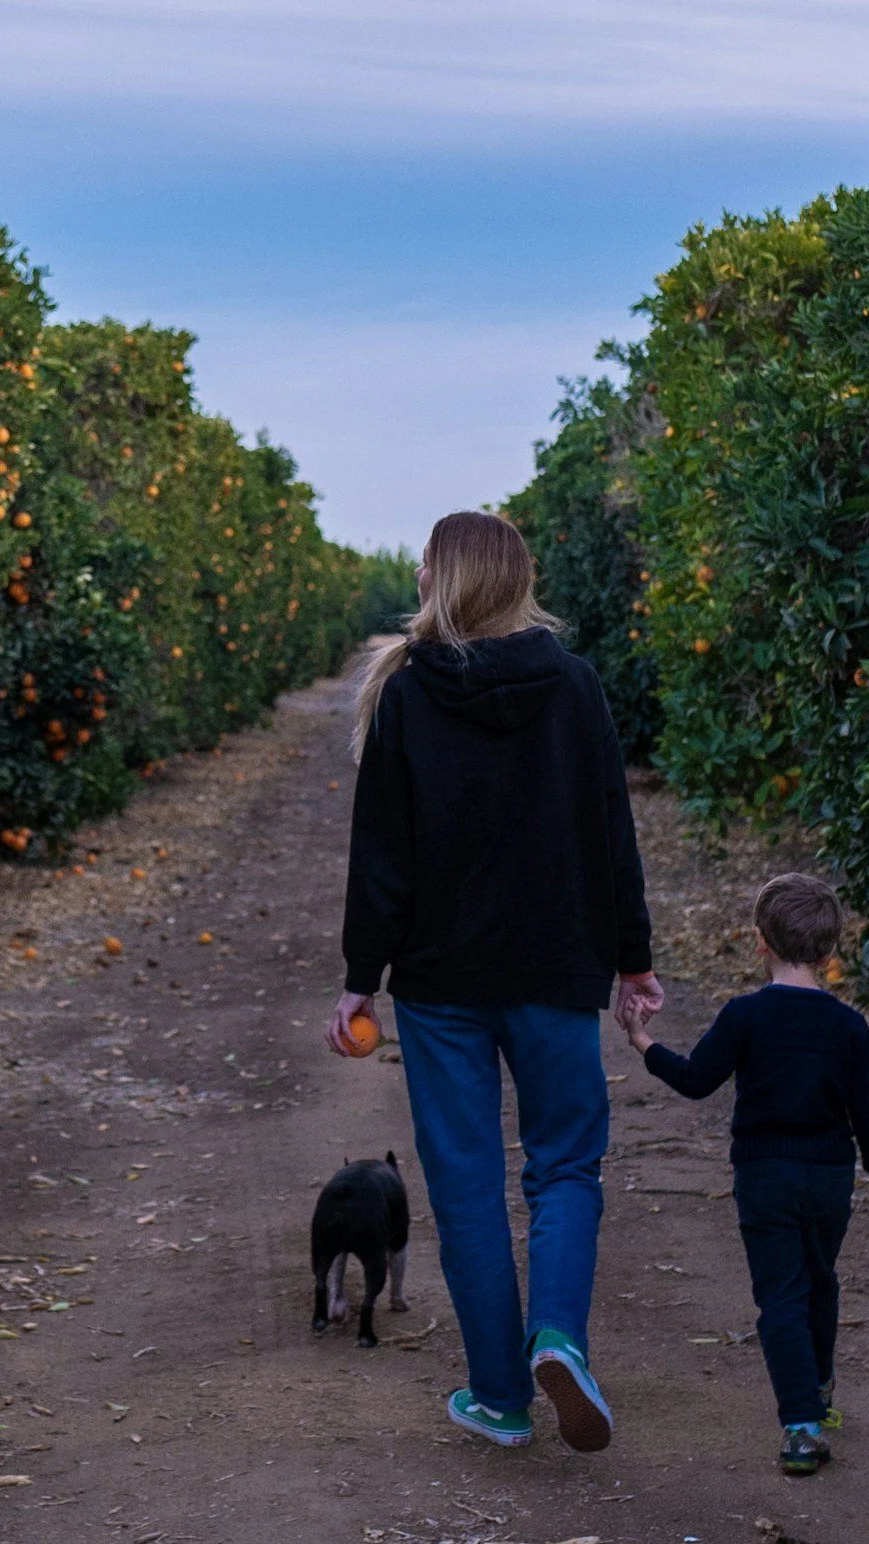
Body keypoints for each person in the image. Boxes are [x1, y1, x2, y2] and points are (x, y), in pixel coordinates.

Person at [329, 510, 659, 1454]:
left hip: (439, 979)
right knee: (565, 1164)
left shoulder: (404, 691)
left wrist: (360, 979)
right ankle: (558, 1333)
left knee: (466, 1183)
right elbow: (612, 838)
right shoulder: (576, 684)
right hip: (557, 968)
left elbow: (380, 857)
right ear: (520, 579)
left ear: (438, 577)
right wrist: (632, 961)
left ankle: (501, 1396)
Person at [621, 873, 869, 1476]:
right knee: (819, 1279)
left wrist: (644, 1041)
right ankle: (819, 1388)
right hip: (829, 1179)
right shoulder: (848, 1026)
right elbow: (868, 1111)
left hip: (764, 1176)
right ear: (831, 953)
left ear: (759, 943)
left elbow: (697, 1080)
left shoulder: (745, 1016)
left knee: (781, 1295)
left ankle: (799, 1425)